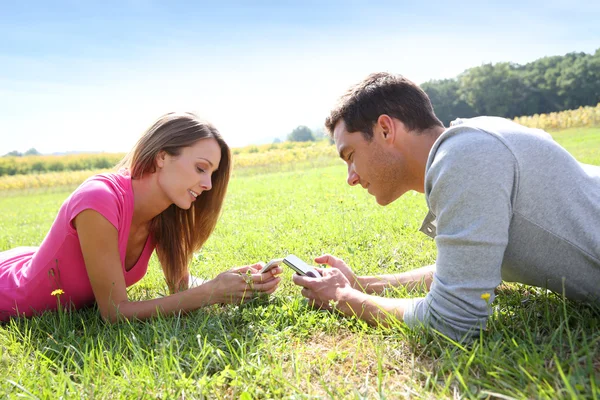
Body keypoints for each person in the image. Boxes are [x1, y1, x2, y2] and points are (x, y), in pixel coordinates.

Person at [292, 72, 600, 340]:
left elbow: (453, 320)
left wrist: (343, 298)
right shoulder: (469, 143)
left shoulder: (464, 158)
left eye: (350, 156)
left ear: (385, 129)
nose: (351, 177)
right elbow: (465, 269)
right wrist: (364, 284)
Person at [0, 112, 282, 323]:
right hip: (10, 293)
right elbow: (114, 312)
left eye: (212, 173)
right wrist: (211, 293)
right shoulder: (99, 199)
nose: (208, 184)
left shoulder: (165, 212)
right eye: (200, 168)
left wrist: (235, 284)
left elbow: (182, 287)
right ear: (162, 157)